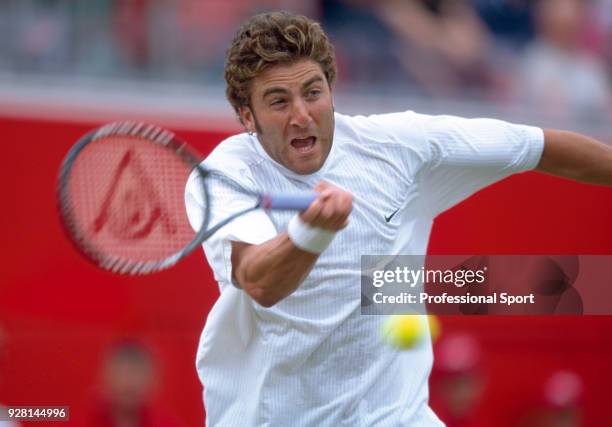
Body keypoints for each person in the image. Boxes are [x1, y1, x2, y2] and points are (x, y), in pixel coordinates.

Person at [184, 11, 612, 426]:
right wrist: (310, 233)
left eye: (313, 92)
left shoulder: (399, 146)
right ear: (247, 117)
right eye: (278, 101)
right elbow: (258, 280)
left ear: (332, 90)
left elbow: (536, 147)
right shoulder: (225, 175)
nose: (301, 115)